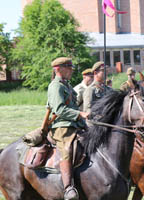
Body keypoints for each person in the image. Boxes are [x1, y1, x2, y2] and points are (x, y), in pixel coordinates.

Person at [47, 57, 89, 200]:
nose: (71, 70)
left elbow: (73, 105)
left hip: (75, 124)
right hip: (61, 126)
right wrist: (80, 114)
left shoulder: (67, 85)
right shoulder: (55, 86)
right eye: (68, 67)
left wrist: (83, 120)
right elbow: (59, 110)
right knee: (67, 149)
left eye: (71, 67)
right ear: (58, 69)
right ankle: (68, 188)